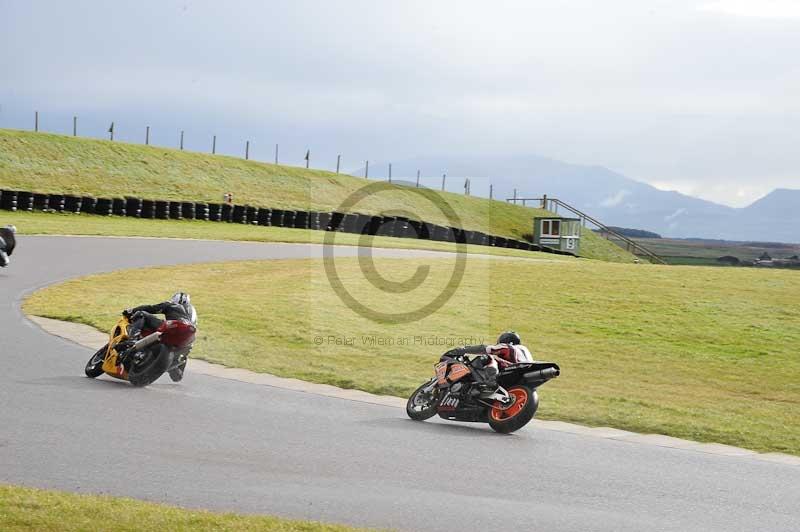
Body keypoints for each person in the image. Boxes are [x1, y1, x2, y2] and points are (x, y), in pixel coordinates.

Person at [116, 292, 197, 381]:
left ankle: (132, 338)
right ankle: (177, 369)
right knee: (184, 353)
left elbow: (151, 308)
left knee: (142, 314)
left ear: (175, 300)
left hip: (172, 327)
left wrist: (131, 311)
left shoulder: (172, 305)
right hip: (188, 339)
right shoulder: (192, 312)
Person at [441, 331, 533, 398]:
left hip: (511, 371)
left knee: (488, 356)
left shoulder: (508, 347)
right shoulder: (525, 350)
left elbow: (486, 348)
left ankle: (490, 384)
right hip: (520, 376)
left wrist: (463, 350)